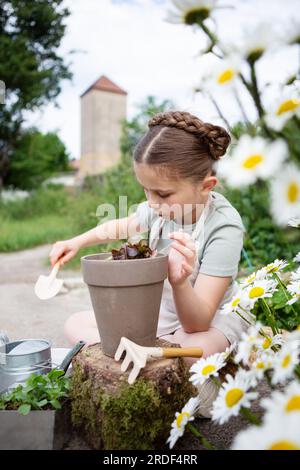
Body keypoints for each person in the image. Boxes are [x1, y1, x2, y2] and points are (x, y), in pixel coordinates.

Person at [49, 111, 249, 415]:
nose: (153, 203)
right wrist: (75, 242)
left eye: (163, 194)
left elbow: (198, 321)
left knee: (198, 345)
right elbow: (119, 225)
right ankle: (148, 352)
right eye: (146, 190)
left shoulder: (224, 227)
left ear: (207, 186)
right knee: (75, 323)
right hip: (164, 317)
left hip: (205, 321)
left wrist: (180, 281)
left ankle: (144, 353)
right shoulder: (157, 210)